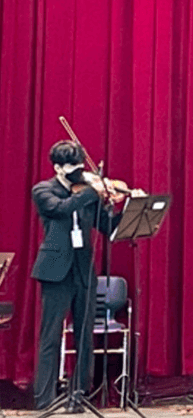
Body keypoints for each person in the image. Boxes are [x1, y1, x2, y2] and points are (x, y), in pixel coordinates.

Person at [31, 140, 131, 409]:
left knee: (85, 336)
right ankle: (44, 401)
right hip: (55, 270)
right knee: (51, 336)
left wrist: (128, 208)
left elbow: (108, 226)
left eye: (80, 165)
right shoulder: (43, 190)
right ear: (57, 168)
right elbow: (60, 209)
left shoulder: (87, 193)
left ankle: (79, 396)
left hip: (83, 269)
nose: (79, 171)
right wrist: (92, 191)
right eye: (71, 167)